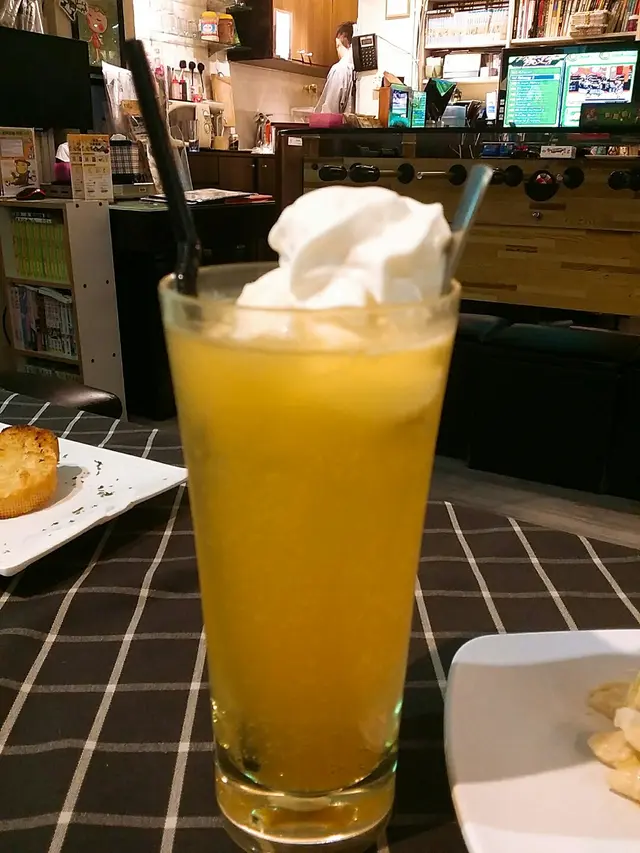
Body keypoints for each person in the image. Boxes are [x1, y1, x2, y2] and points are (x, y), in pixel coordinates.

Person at [315, 22, 356, 115]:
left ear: (344, 40)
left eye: (337, 45)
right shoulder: (358, 70)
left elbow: (329, 112)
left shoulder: (339, 70)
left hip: (341, 124)